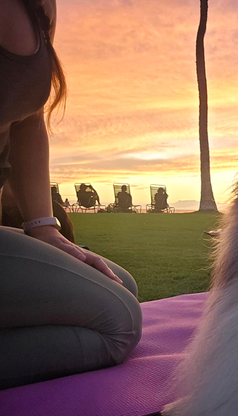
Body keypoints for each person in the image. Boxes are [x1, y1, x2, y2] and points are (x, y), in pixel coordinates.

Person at [0, 0, 142, 389]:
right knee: (119, 325)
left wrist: (44, 228)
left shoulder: (41, 7)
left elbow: (28, 117)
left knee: (122, 286)